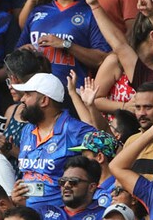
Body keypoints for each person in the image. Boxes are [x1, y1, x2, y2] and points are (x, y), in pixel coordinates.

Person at [13, 73, 95, 209]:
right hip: (27, 214)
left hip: (60, 216)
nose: (22, 99)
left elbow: (100, 141)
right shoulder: (27, 130)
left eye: (28, 94)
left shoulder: (72, 129)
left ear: (44, 101)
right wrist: (17, 198)